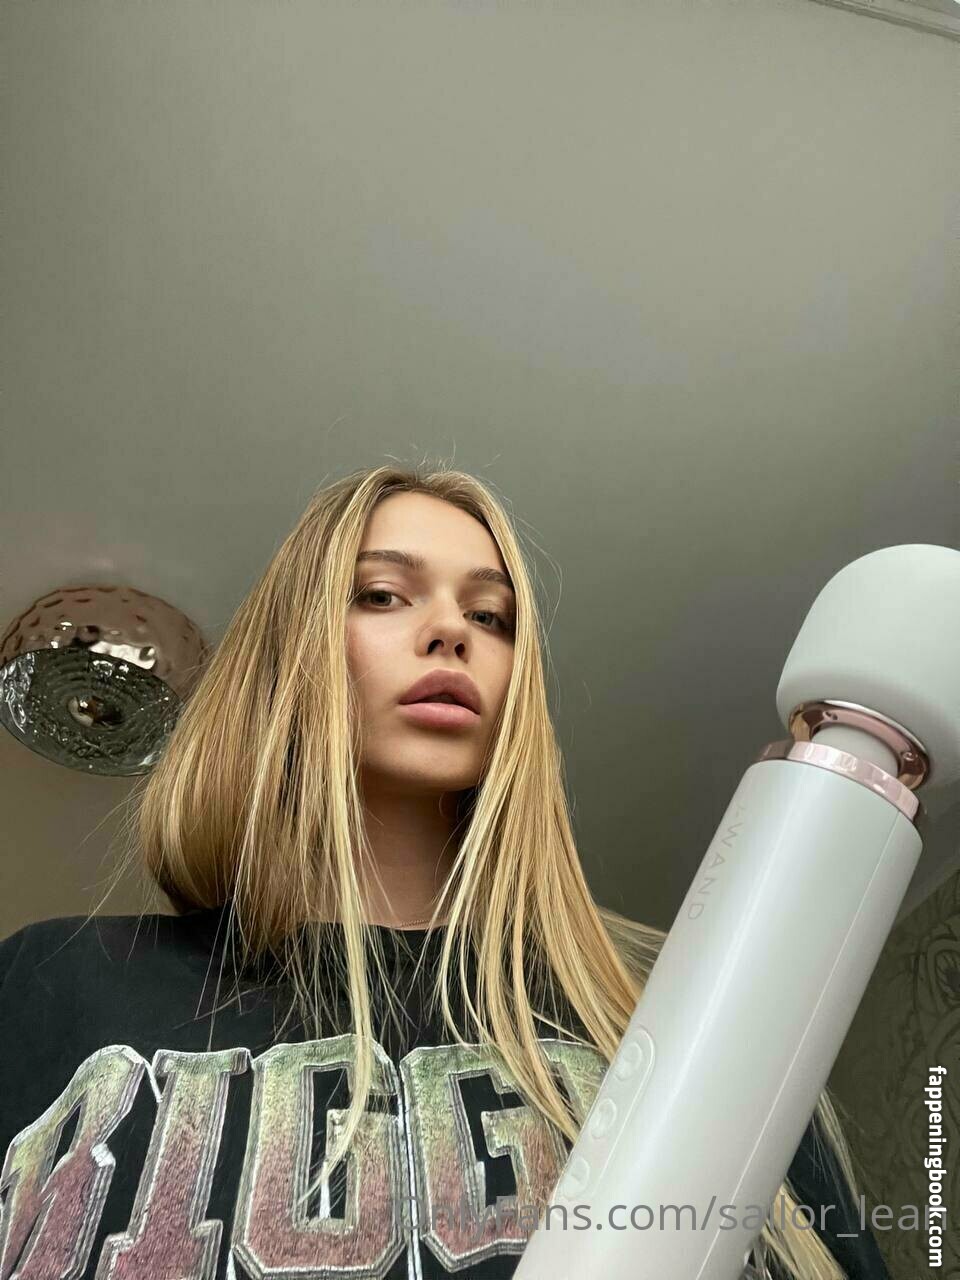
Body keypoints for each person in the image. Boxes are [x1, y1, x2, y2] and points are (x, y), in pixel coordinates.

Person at [0, 465, 890, 1280]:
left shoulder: (681, 1017)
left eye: (491, 616)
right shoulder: (54, 983)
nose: (450, 632)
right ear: (285, 655)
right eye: (383, 595)